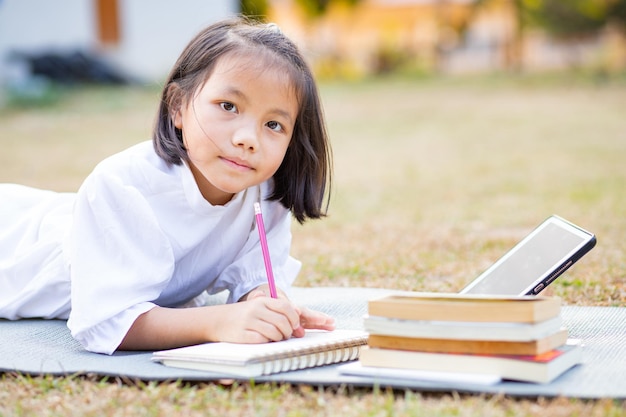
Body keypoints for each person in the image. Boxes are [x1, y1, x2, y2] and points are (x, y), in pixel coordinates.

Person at [0, 17, 336, 355]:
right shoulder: (121, 187)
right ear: (178, 106)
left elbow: (252, 277)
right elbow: (107, 322)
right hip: (12, 244)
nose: (248, 139)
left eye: (274, 124)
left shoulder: (264, 193)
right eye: (228, 106)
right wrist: (220, 322)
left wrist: (268, 307)